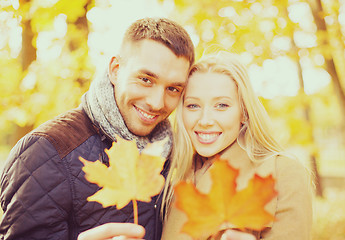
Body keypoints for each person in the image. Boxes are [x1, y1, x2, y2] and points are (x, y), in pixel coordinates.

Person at [0, 17, 194, 240]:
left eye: (173, 88)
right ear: (115, 69)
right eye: (146, 79)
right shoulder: (46, 151)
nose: (157, 102)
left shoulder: (175, 158)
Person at [161, 52, 313, 240]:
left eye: (222, 105)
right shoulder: (172, 179)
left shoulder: (283, 172)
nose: (205, 120)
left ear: (244, 113)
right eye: (193, 106)